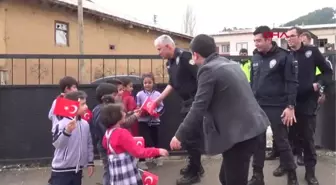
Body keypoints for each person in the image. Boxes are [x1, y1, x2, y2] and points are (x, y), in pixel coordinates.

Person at [169, 34, 269, 185]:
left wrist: (179, 135)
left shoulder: (208, 70)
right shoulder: (229, 64)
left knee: (233, 181)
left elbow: (198, 107)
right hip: (253, 128)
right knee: (225, 178)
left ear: (195, 55)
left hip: (241, 135)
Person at [247, 26, 299, 185]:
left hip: (278, 105)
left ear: (269, 39)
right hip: (258, 105)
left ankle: (292, 175)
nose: (255, 43)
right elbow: (252, 82)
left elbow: (292, 82)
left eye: (259, 40)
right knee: (258, 141)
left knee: (282, 141)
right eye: (254, 40)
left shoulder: (284, 57)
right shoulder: (255, 57)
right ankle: (257, 176)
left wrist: (290, 106)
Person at [153, 34, 204, 185]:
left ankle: (195, 172)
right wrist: (158, 100)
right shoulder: (169, 63)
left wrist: (200, 101)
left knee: (191, 137)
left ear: (168, 46)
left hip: (195, 101)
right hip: (186, 102)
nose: (158, 53)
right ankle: (195, 166)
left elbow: (201, 77)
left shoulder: (185, 57)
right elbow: (172, 83)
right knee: (188, 138)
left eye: (159, 49)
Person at [286, 26, 333, 185]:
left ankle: (310, 173)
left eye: (292, 36)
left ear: (300, 37)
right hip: (289, 103)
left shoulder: (312, 52)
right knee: (290, 138)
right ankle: (290, 173)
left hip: (307, 102)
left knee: (307, 138)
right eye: (287, 36)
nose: (289, 39)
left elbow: (327, 72)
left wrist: (318, 84)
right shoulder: (286, 55)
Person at [100, 103, 169, 185]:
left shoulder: (107, 133)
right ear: (116, 116)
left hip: (116, 173)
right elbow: (138, 152)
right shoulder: (122, 133)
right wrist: (157, 151)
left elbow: (105, 145)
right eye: (122, 112)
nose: (124, 113)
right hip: (127, 172)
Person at [89, 83, 141, 185]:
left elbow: (120, 122)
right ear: (106, 97)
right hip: (109, 148)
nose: (119, 95)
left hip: (110, 147)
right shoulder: (102, 111)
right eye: (115, 94)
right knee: (110, 172)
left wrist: (133, 115)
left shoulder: (104, 109)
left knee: (112, 171)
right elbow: (111, 131)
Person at [49, 91, 94, 185]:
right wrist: (67, 131)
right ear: (72, 106)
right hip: (61, 171)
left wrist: (90, 162)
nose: (86, 107)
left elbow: (89, 143)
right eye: (83, 104)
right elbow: (57, 144)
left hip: (77, 170)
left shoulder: (85, 124)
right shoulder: (62, 124)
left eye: (86, 103)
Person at [136, 73, 165, 169]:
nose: (147, 84)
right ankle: (142, 160)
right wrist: (142, 110)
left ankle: (157, 157)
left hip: (155, 120)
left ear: (153, 83)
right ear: (142, 84)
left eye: (149, 82)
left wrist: (155, 112)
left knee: (155, 139)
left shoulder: (158, 94)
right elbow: (137, 106)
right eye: (145, 83)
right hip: (142, 121)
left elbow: (162, 106)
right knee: (144, 140)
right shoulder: (139, 94)